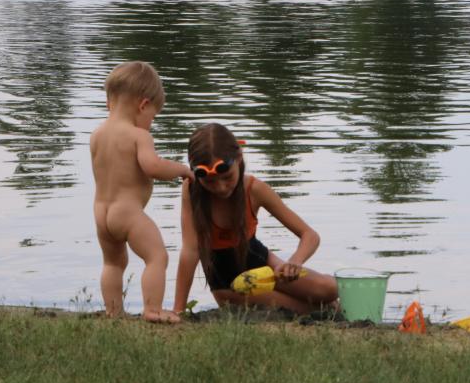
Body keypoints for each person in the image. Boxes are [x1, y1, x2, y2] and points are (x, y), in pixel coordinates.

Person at [173, 123, 338, 315]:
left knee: (331, 289)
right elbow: (190, 251)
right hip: (229, 287)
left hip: (264, 267)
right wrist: (178, 310)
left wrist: (295, 261)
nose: (220, 187)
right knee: (310, 310)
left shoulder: (254, 189)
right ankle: (330, 309)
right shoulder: (192, 191)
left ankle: (330, 304)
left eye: (227, 177)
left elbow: (309, 235)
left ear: (239, 158)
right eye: (210, 181)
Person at [90, 61, 193, 323]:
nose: (151, 123)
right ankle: (153, 309)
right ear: (143, 105)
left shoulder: (97, 135)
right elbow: (152, 167)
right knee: (156, 256)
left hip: (101, 213)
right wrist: (182, 170)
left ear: (109, 102)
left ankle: (113, 312)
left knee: (113, 263)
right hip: (127, 212)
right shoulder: (139, 136)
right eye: (153, 117)